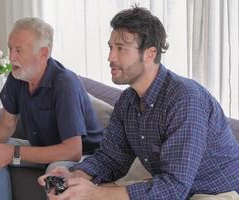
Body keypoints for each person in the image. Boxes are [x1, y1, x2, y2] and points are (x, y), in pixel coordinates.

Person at [38, 6, 239, 200]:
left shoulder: (185, 100)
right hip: (173, 188)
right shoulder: (127, 102)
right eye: (110, 47)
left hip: (216, 192)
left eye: (121, 49)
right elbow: (111, 157)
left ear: (150, 54)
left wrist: (95, 194)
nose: (110, 57)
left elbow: (174, 187)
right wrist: (74, 178)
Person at [0, 17, 103, 200]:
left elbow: (73, 150)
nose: (11, 57)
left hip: (83, 157)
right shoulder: (17, 77)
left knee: (55, 173)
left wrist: (13, 153)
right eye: (10, 48)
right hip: (41, 147)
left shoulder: (64, 83)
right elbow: (6, 124)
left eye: (18, 50)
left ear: (43, 53)